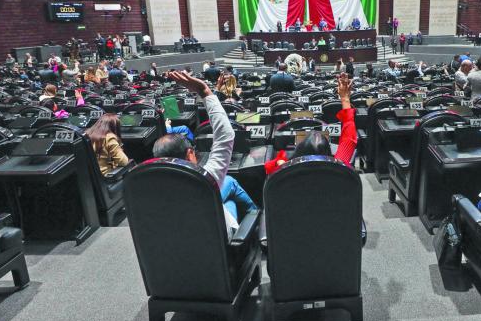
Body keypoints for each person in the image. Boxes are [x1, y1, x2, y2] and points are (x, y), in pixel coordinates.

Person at [152, 71, 257, 234]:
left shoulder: (150, 190)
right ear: (189, 154)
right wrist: (204, 91)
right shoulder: (205, 180)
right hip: (223, 248)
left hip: (182, 246)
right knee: (229, 183)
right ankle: (257, 217)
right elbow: (225, 134)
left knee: (229, 201)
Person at [265, 73, 358, 175]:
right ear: (329, 153)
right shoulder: (339, 168)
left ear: (298, 153)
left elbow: (267, 167)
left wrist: (280, 162)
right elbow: (349, 138)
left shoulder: (284, 173)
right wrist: (345, 98)